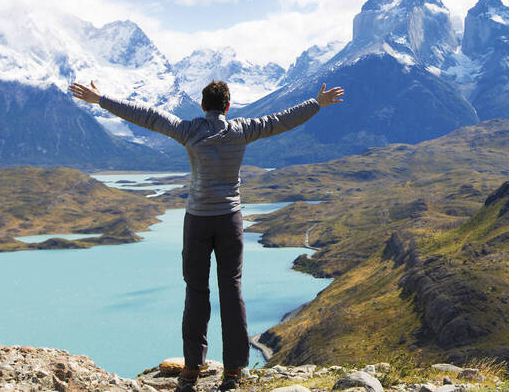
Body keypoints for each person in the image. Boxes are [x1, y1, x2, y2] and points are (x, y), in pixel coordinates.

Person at [69, 79, 344, 391]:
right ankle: (233, 372)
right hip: (230, 221)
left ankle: (191, 370)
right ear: (228, 107)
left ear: (202, 106)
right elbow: (281, 120)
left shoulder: (188, 130)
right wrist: (316, 103)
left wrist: (101, 99)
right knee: (232, 291)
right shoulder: (242, 129)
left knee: (196, 292)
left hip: (198, 221)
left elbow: (147, 115)